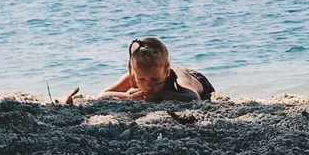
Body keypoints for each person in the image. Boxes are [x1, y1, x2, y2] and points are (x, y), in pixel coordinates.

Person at [67, 37, 214, 104]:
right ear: (133, 72)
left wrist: (161, 94)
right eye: (142, 80)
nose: (149, 86)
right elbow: (102, 95)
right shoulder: (134, 76)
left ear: (166, 72)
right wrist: (127, 96)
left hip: (196, 79)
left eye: (155, 80)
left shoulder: (177, 78)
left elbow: (194, 98)